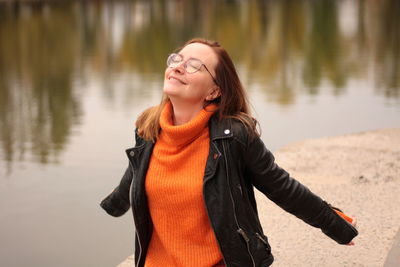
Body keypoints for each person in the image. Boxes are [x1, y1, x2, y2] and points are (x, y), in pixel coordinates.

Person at [100, 38, 358, 267]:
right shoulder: (148, 127)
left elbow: (281, 187)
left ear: (214, 91)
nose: (178, 66)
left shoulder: (234, 136)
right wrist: (116, 202)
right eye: (177, 59)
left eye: (194, 65)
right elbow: (137, 172)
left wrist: (334, 223)